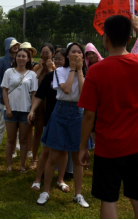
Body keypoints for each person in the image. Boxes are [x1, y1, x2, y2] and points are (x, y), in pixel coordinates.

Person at [78, 14, 138, 219]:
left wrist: (83, 147)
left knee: (109, 200)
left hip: (108, 146)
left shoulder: (96, 71)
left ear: (106, 39)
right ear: (129, 39)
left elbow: (89, 115)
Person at [38, 42, 89, 208]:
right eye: (73, 52)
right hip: (60, 112)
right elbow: (66, 89)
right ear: (67, 55)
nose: (76, 54)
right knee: (53, 156)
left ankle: (78, 194)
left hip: (77, 113)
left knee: (77, 158)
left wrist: (79, 70)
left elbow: (84, 93)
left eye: (79, 52)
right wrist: (73, 69)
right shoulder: (59, 71)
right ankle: (45, 191)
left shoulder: (85, 72)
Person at [29, 48, 70, 192]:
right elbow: (39, 95)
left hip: (66, 117)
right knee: (46, 149)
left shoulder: (71, 77)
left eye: (60, 59)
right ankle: (37, 179)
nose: (57, 61)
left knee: (64, 150)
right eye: (56, 58)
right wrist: (32, 110)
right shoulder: (50, 76)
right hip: (51, 117)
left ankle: (60, 180)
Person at [1, 47, 38, 173]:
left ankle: (22, 165)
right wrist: (8, 108)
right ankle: (9, 165)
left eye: (23, 56)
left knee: (23, 139)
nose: (21, 58)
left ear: (28, 59)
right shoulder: (9, 72)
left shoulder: (32, 75)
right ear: (15, 58)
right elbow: (4, 90)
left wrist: (32, 110)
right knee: (10, 139)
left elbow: (34, 94)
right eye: (19, 56)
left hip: (25, 111)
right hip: (11, 110)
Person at [31, 44, 56, 169]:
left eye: (47, 53)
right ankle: (34, 159)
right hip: (39, 103)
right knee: (37, 132)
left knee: (51, 133)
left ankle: (49, 158)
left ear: (53, 54)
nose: (45, 55)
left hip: (51, 104)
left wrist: (50, 68)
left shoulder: (56, 68)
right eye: (43, 52)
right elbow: (32, 81)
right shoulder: (36, 67)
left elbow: (55, 83)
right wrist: (40, 68)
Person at [0, 38, 20, 154]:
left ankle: (17, 143)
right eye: (13, 45)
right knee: (0, 123)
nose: (16, 46)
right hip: (3, 98)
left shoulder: (20, 59)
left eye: (17, 44)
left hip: (17, 97)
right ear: (7, 46)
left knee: (17, 123)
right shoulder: (2, 60)